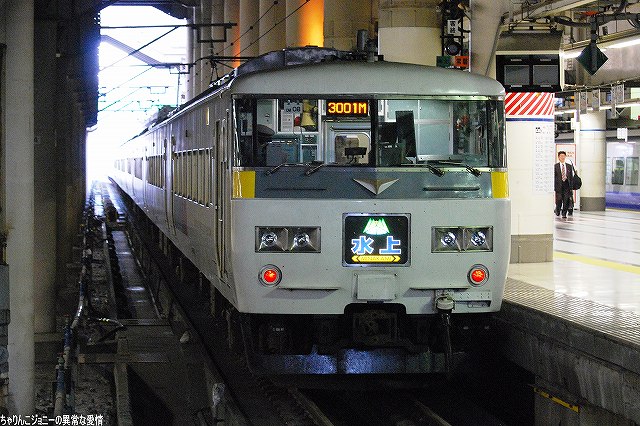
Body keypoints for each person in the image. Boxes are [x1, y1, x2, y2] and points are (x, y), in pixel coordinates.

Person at [554, 151, 574, 218]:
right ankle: (557, 210)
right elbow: (554, 177)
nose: (562, 157)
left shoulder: (569, 166)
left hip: (567, 186)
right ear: (558, 157)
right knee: (559, 200)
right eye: (561, 156)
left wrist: (571, 186)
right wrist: (555, 186)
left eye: (563, 156)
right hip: (559, 186)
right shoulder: (555, 166)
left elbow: (571, 177)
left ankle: (564, 213)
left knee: (566, 200)